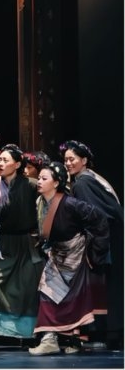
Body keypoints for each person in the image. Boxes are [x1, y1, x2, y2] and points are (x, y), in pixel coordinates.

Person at [29, 162, 110, 356]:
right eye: (39, 178)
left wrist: (96, 249)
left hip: (75, 255)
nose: (39, 181)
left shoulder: (70, 203)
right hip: (58, 255)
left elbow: (99, 218)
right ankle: (52, 339)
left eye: (44, 178)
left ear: (56, 183)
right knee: (48, 293)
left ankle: (69, 339)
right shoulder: (41, 202)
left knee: (72, 300)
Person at [0, 144, 45, 351]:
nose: (0, 163)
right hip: (4, 244)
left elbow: (47, 207)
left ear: (18, 164)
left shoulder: (31, 185)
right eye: (0, 160)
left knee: (29, 288)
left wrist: (42, 235)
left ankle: (30, 334)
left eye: (6, 160)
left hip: (28, 244)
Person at [60, 140, 123, 350]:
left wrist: (94, 247)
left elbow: (94, 216)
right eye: (66, 160)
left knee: (108, 286)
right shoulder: (92, 178)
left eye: (72, 159)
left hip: (107, 239)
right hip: (113, 236)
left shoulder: (83, 183)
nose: (68, 163)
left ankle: (110, 334)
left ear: (84, 160)